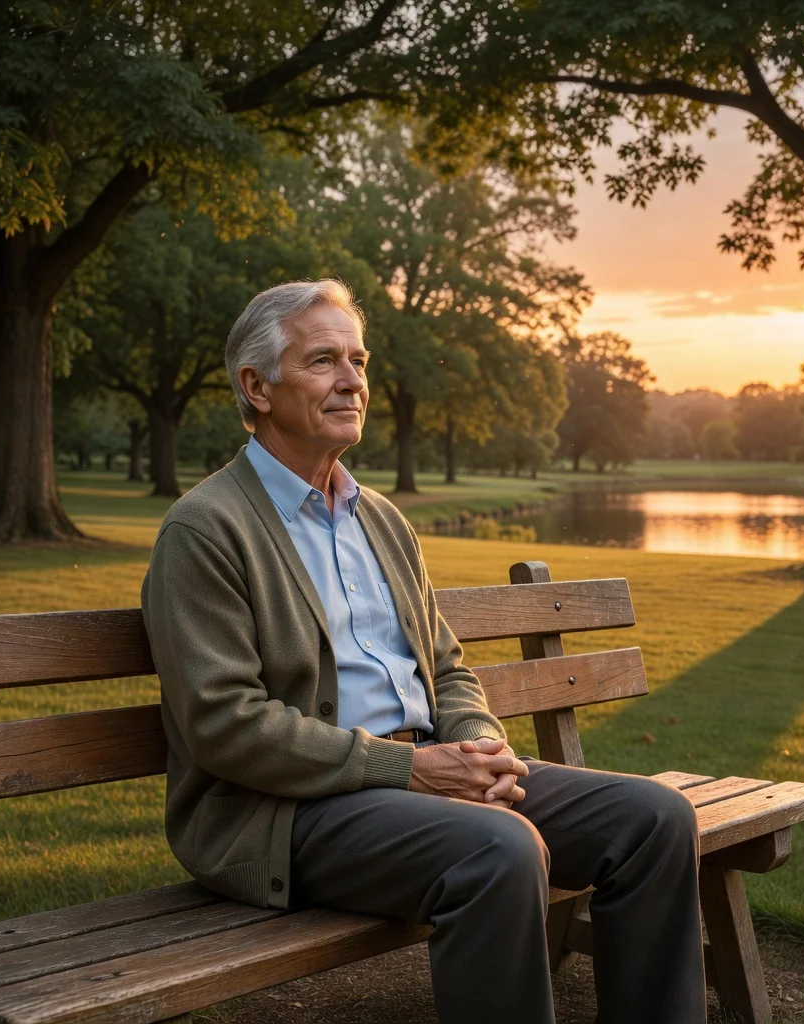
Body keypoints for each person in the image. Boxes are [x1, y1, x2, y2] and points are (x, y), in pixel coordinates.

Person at [141, 279, 705, 1024]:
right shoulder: (206, 529)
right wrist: (411, 769)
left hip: (432, 773)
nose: (352, 381)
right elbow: (225, 725)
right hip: (289, 814)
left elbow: (445, 667)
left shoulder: (381, 520)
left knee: (656, 819)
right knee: (499, 852)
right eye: (323, 361)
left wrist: (478, 749)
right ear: (258, 386)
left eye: (358, 360)